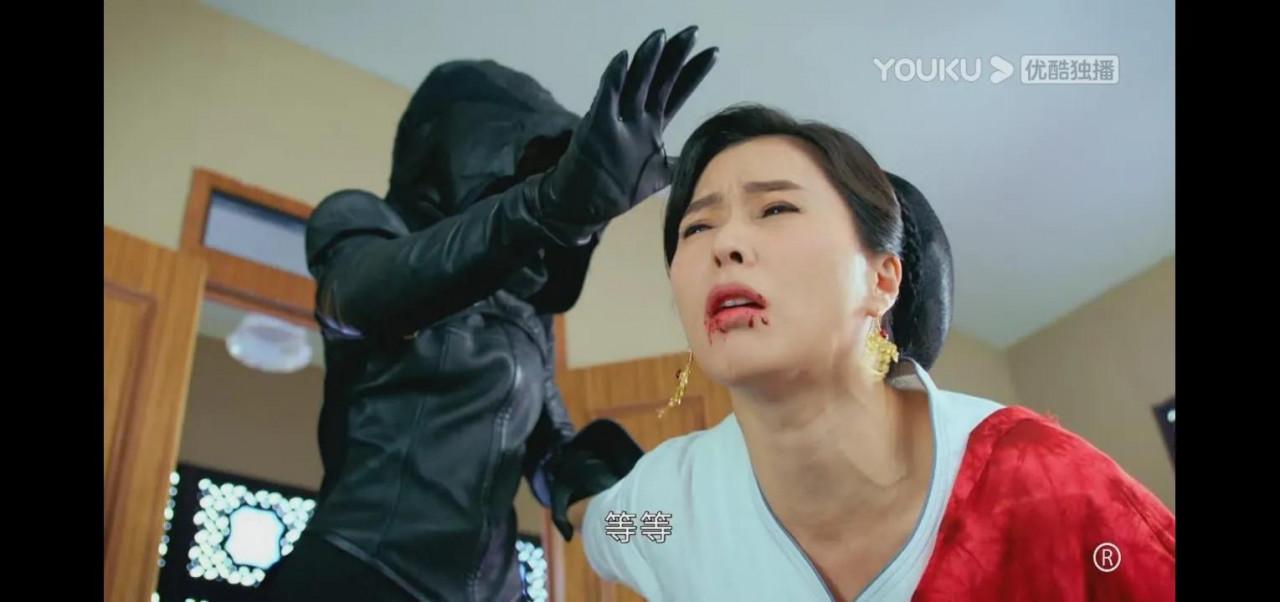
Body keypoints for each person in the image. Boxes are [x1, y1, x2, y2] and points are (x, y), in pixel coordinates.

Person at [578, 105, 1175, 601]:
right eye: (696, 227)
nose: (725, 243)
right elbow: (606, 523)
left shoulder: (1049, 484)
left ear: (883, 279)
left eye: (776, 208)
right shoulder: (669, 504)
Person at [256, 29, 718, 602]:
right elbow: (364, 298)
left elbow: (555, 457)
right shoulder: (363, 221)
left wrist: (651, 523)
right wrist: (546, 206)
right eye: (529, 168)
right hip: (358, 576)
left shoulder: (530, 315)